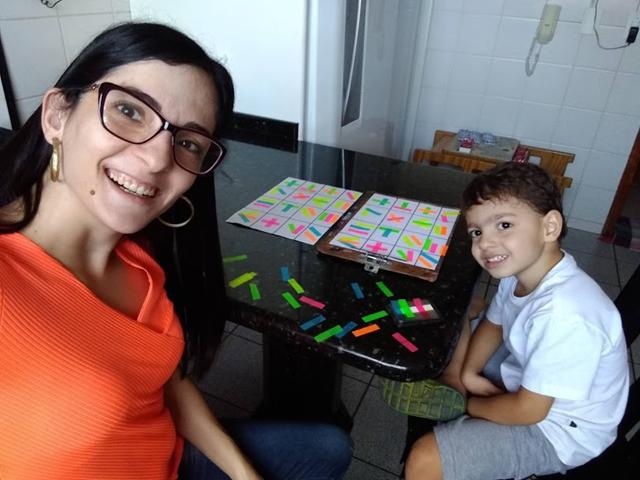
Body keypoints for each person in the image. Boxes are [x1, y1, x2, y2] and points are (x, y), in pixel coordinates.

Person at [0, 22, 352, 480]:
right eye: (129, 110)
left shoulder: (140, 257)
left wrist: (244, 474)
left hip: (167, 457)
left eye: (187, 142)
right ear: (56, 115)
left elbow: (161, 382)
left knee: (330, 447)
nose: (157, 159)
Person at [404, 162, 629, 480]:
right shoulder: (519, 273)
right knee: (456, 323)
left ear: (549, 227)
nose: (484, 243)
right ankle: (456, 379)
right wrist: (468, 374)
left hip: (558, 432)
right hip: (528, 380)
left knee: (424, 459)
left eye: (504, 225)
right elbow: (495, 324)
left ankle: (454, 399)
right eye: (477, 232)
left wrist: (469, 404)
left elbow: (529, 411)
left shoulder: (567, 313)